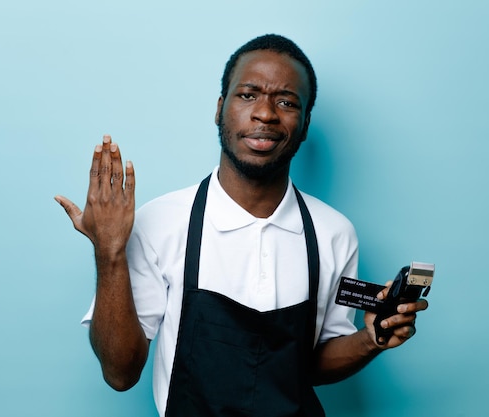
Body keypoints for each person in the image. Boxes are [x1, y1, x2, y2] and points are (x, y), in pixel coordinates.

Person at [55, 34, 429, 417]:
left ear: (304, 123)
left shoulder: (334, 233)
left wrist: (372, 338)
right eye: (248, 95)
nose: (265, 113)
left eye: (286, 101)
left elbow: (311, 364)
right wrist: (109, 252)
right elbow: (120, 372)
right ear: (220, 109)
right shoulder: (162, 221)